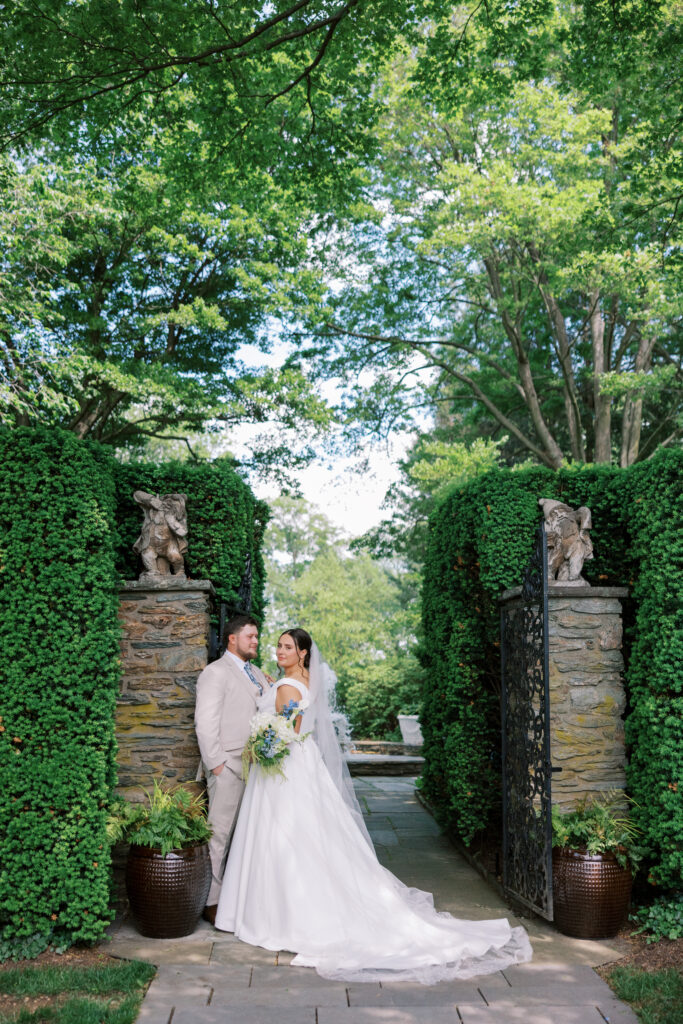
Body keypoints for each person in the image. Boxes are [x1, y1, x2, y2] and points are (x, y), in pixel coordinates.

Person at [214, 627, 532, 984]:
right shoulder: (301, 680)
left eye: (287, 647)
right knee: (307, 838)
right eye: (278, 645)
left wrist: (263, 744)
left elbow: (286, 731)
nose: (279, 651)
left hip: (282, 770)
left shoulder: (288, 686)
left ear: (303, 653)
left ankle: (279, 916)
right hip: (299, 764)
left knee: (285, 837)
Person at [194, 613, 270, 924]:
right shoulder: (216, 673)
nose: (256, 641)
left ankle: (238, 897)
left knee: (247, 836)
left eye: (256, 636)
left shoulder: (256, 673)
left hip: (259, 769)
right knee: (219, 836)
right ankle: (211, 902)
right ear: (232, 639)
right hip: (229, 767)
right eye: (250, 636)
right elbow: (204, 723)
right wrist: (218, 766)